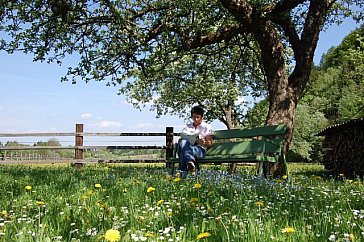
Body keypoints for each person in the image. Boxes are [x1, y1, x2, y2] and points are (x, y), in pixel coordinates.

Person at [177, 106, 213, 176]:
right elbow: (182, 139)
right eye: (194, 117)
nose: (196, 119)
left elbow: (210, 143)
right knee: (183, 142)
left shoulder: (206, 127)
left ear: (202, 117)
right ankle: (190, 162)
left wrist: (203, 143)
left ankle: (182, 176)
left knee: (183, 153)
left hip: (199, 149)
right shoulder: (187, 127)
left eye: (198, 117)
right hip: (187, 146)